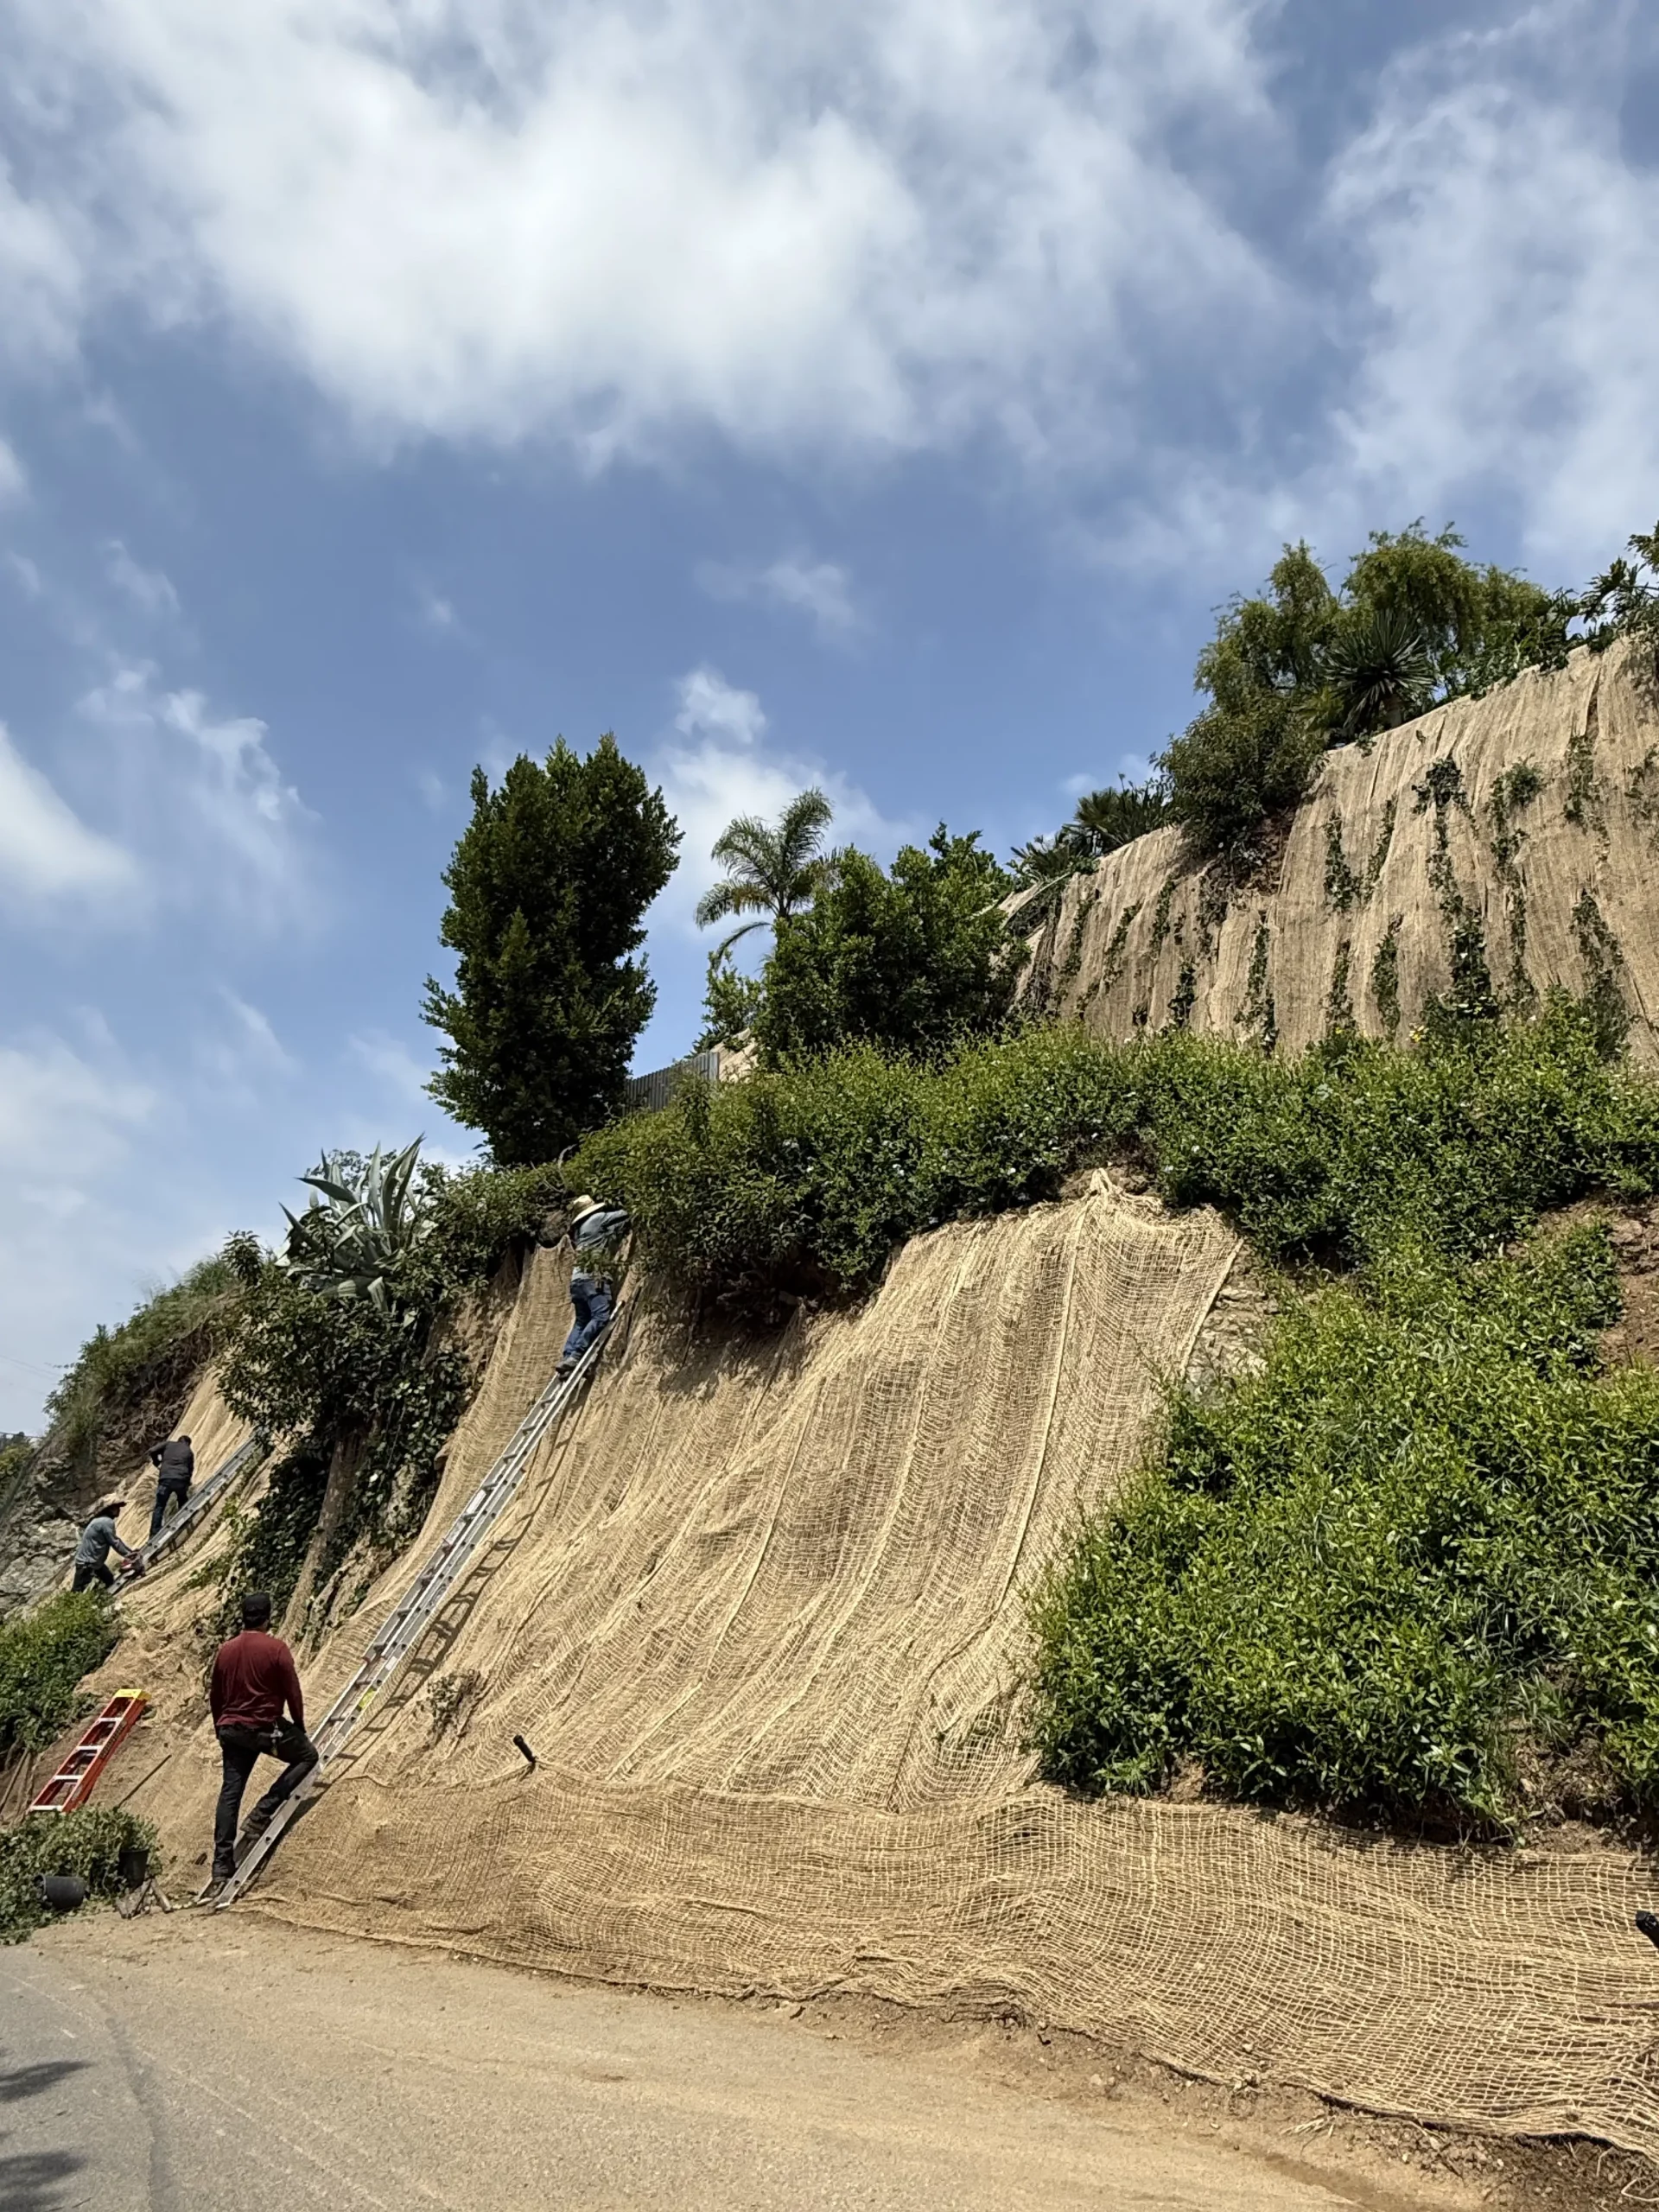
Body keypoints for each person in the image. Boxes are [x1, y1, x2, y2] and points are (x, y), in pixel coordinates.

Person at [206, 1591, 319, 1898]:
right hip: (264, 1729)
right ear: (269, 1617)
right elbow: (293, 1692)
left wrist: (219, 1727)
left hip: (231, 1729)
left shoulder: (226, 1650)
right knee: (307, 1756)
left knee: (230, 1793)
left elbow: (216, 1696)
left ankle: (221, 1865)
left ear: (243, 1617)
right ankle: (263, 1811)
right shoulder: (276, 1649)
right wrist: (299, 1726)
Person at [556, 1194, 629, 1376]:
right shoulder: (597, 1219)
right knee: (600, 1316)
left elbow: (611, 1232)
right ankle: (576, 1355)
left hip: (577, 1280)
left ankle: (567, 1356)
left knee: (582, 1320)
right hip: (593, 1278)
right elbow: (626, 1214)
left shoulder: (580, 1230)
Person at [72, 1502, 138, 1592]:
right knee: (77, 1591)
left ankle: (102, 1597)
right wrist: (129, 1554)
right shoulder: (106, 1522)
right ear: (109, 1510)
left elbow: (114, 1541)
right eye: (116, 1508)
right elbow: (114, 1542)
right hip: (87, 1563)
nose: (118, 1510)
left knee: (109, 1580)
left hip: (94, 1562)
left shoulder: (99, 1520)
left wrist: (130, 1552)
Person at [148, 1432, 195, 1539]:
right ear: (188, 1443)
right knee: (183, 1500)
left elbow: (152, 1451)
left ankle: (154, 1533)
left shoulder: (168, 1444)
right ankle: (184, 1521)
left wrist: (157, 1462)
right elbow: (191, 1469)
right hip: (181, 1480)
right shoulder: (189, 1452)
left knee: (160, 1506)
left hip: (165, 1479)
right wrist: (187, 1482)